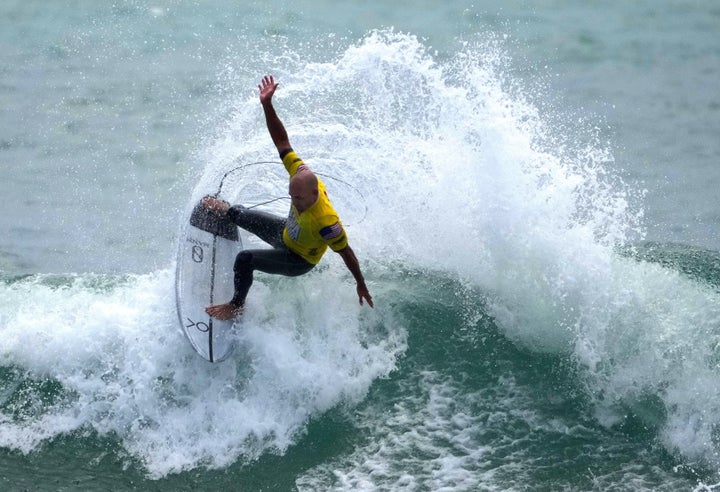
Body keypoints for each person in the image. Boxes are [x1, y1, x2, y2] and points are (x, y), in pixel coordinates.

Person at [203, 75, 374, 320]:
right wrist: (267, 104)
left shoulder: (327, 222)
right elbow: (282, 141)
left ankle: (236, 306)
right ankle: (222, 218)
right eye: (291, 197)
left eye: (300, 199)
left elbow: (346, 252)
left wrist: (361, 284)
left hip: (298, 259)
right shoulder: (300, 172)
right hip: (286, 233)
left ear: (315, 194)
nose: (295, 203)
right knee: (236, 212)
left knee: (246, 259)